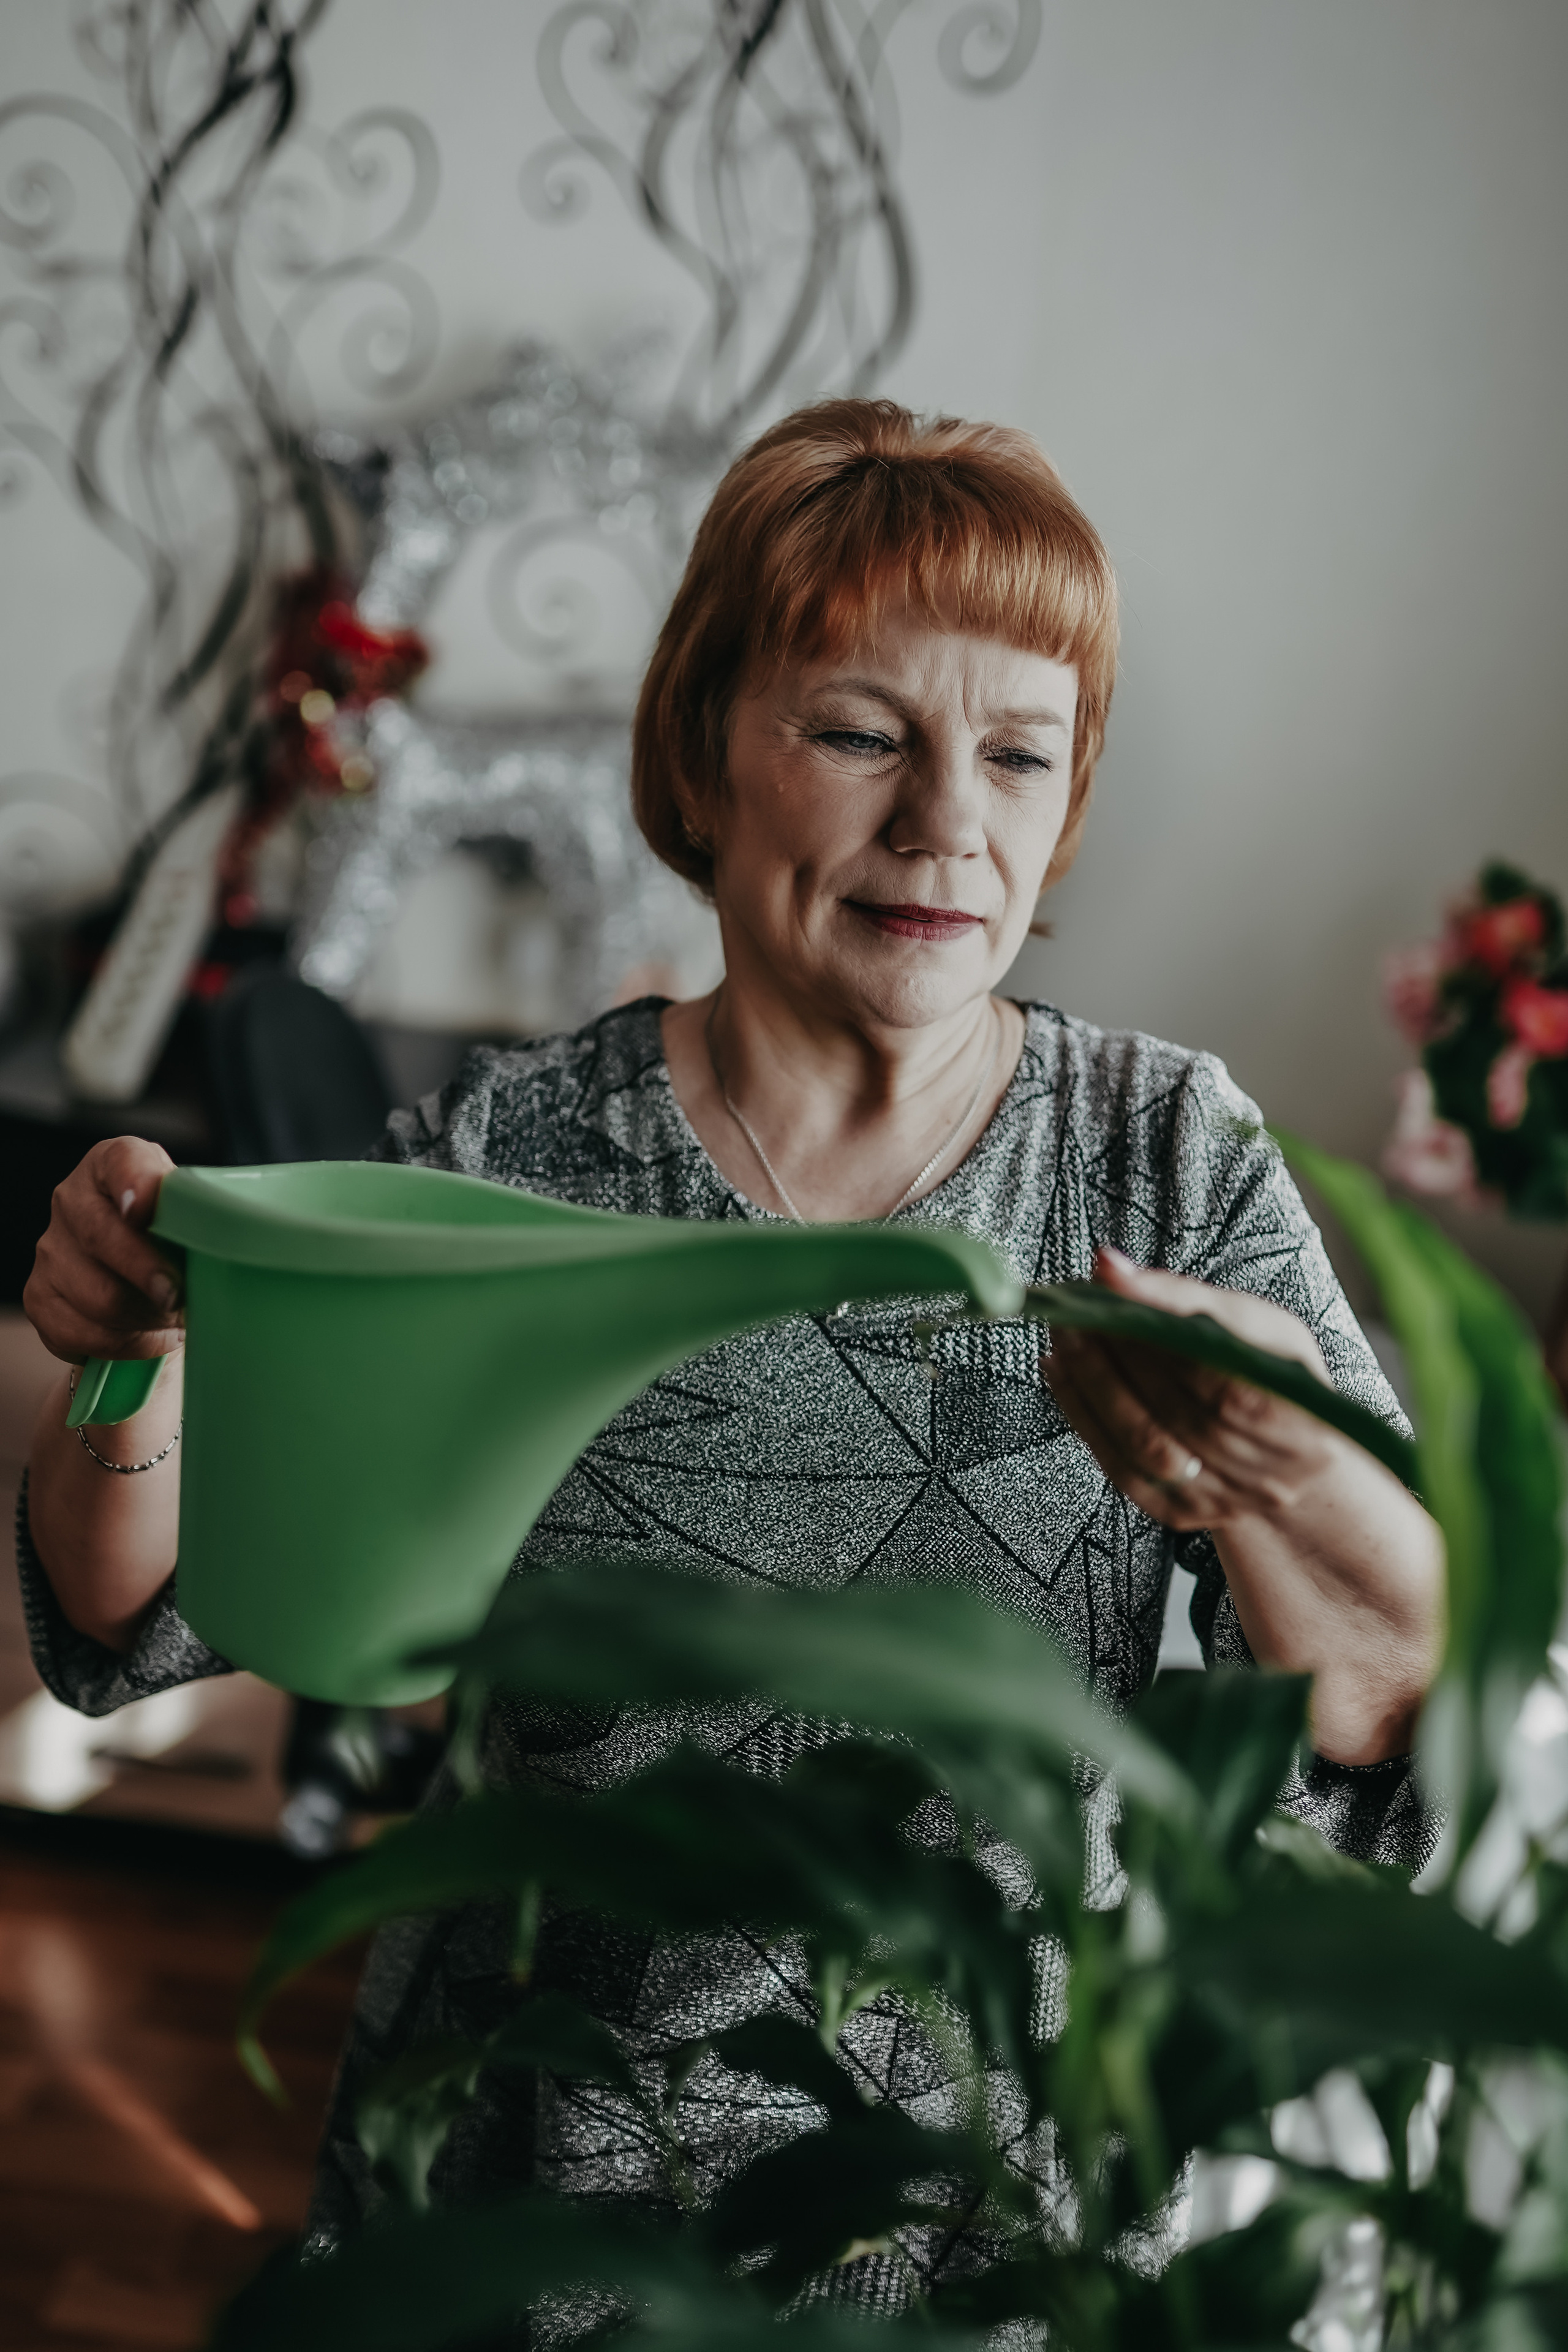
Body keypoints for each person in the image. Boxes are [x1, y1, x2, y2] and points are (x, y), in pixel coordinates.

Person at [18, 399, 1444, 2312]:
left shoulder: (1164, 1155)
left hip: (977, 2212)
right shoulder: (513, 1154)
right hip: (535, 2179)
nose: (947, 822)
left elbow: (1387, 1721)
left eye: (1018, 755)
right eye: (863, 733)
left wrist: (1286, 1481)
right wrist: (134, 1352)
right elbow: (150, 1618)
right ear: (705, 751)